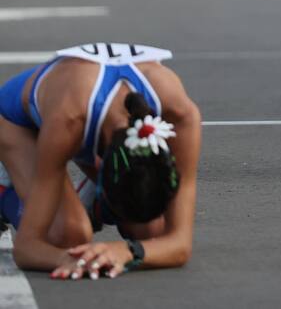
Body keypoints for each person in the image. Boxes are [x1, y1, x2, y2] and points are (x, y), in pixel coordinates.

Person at [0, 43, 200, 278]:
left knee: (153, 230)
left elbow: (180, 244)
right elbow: (27, 248)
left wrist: (126, 251)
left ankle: (96, 204)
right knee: (68, 237)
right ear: (97, 163)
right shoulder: (69, 120)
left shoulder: (181, 116)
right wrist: (76, 259)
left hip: (86, 120)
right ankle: (5, 189)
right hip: (17, 122)